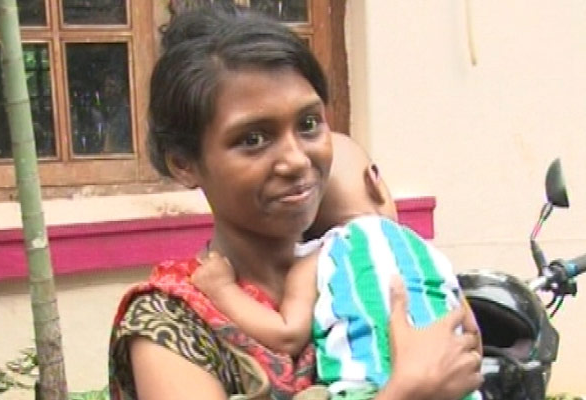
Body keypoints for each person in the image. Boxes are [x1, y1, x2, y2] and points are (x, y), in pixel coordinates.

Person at [108, 4, 483, 400]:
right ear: (184, 164)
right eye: (253, 139)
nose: (297, 160)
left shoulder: (376, 270)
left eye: (308, 124)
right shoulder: (171, 323)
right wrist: (407, 392)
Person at [191, 133, 482, 400]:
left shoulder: (319, 259)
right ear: (374, 181)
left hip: (363, 390)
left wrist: (222, 289)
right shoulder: (428, 253)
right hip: (454, 388)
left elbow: (287, 335)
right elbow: (471, 335)